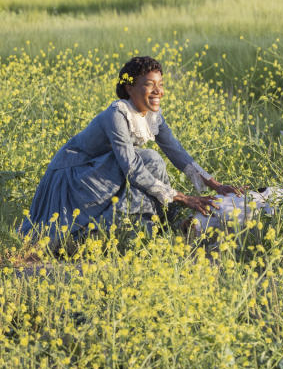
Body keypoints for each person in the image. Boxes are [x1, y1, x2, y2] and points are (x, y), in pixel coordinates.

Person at [20, 56, 243, 247]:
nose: (158, 91)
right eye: (149, 84)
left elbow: (175, 150)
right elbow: (132, 167)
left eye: (161, 84)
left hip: (103, 170)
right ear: (129, 88)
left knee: (152, 161)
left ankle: (159, 226)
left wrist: (215, 185)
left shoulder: (152, 115)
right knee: (150, 160)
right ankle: (156, 224)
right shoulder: (117, 114)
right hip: (75, 176)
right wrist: (183, 198)